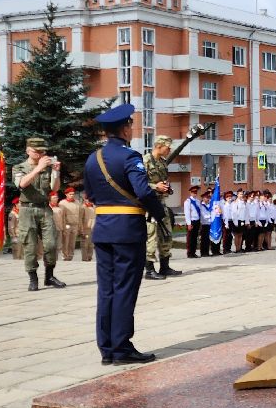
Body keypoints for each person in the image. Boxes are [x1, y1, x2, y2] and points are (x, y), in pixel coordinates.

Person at [83, 102, 164, 364]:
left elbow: (90, 194)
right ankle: (121, 348)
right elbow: (143, 192)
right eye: (130, 124)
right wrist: (159, 213)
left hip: (103, 229)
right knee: (125, 289)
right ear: (125, 129)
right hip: (127, 231)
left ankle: (107, 348)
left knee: (106, 290)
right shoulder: (130, 156)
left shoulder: (93, 158)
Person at [13, 137, 65, 292]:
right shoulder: (19, 167)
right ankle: (33, 278)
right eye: (37, 151)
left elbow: (54, 188)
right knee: (30, 245)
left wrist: (56, 172)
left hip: (44, 208)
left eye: (43, 151)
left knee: (51, 244)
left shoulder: (47, 167)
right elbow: (22, 184)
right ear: (28, 151)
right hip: (27, 209)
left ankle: (49, 276)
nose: (41, 154)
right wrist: (38, 168)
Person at [142, 135, 181, 279]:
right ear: (159, 146)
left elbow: (163, 180)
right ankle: (149, 270)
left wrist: (166, 188)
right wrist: (155, 187)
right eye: (167, 147)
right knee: (151, 236)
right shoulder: (145, 161)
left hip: (161, 203)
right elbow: (138, 183)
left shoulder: (162, 162)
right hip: (149, 204)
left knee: (166, 234)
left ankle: (165, 267)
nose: (169, 150)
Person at [183, 184, 204, 258]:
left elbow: (200, 212)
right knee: (190, 238)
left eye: (196, 192)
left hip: (197, 221)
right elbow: (187, 213)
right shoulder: (188, 201)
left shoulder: (198, 201)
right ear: (190, 192)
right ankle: (189, 253)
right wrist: (189, 223)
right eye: (193, 192)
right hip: (191, 221)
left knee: (195, 238)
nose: (195, 193)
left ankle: (193, 252)